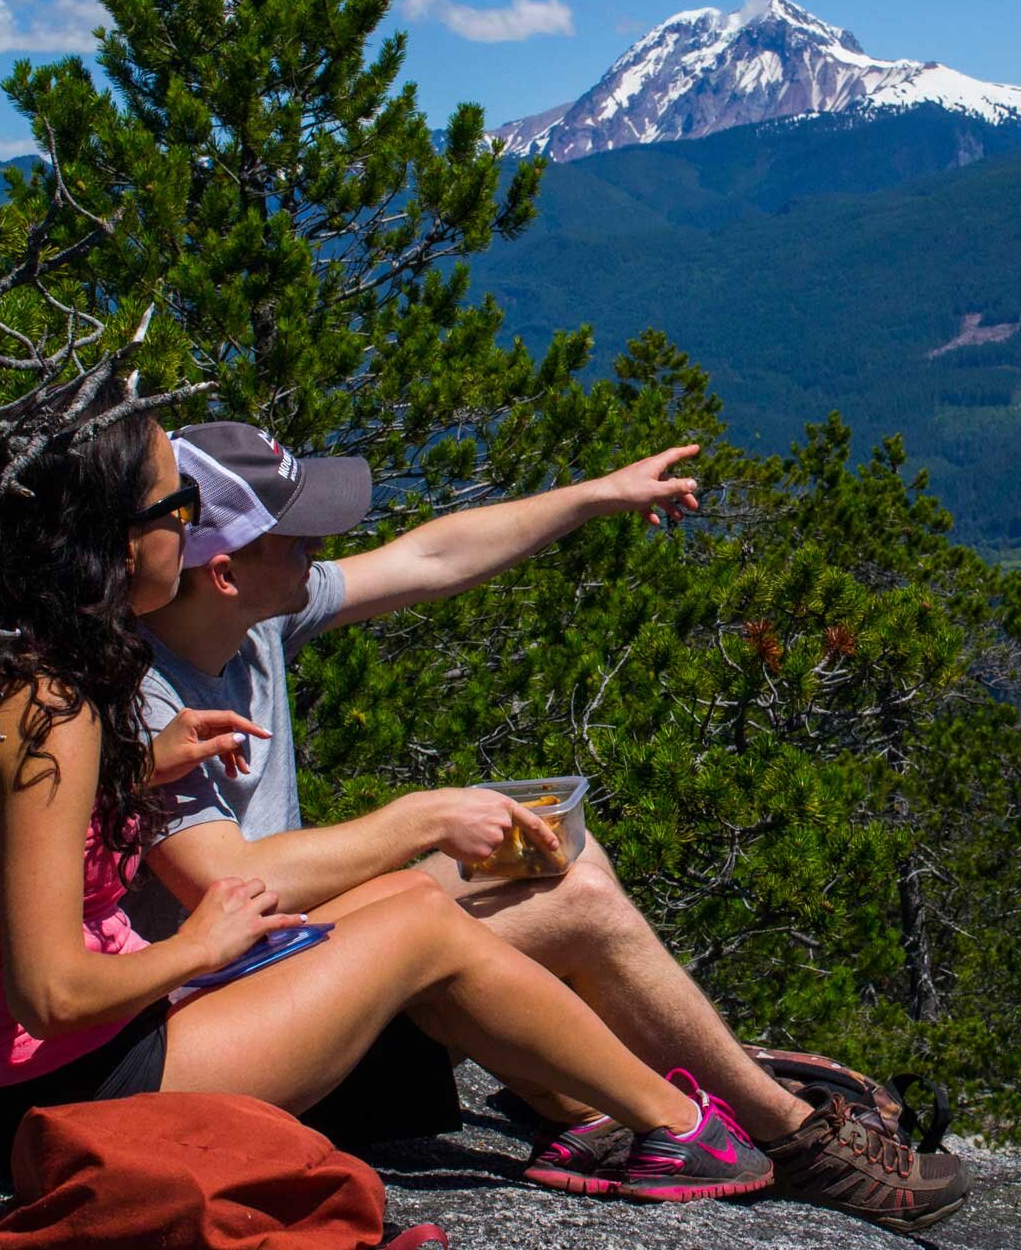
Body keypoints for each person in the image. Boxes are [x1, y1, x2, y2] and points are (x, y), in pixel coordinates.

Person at [0, 382, 771, 1204]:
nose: (188, 519)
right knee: (421, 922)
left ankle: (627, 1117)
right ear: (114, 543)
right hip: (64, 1095)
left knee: (412, 896)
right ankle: (679, 1128)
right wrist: (198, 946)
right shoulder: (56, 708)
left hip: (28, 1078)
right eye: (176, 505)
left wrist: (135, 767)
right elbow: (49, 992)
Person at [121, 420, 975, 1232]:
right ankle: (791, 1139)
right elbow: (221, 881)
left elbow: (431, 555)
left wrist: (596, 495)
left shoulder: (254, 619)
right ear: (226, 570)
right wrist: (420, 818)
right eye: (297, 533)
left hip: (292, 967)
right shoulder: (144, 695)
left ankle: (595, 1100)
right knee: (580, 902)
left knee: (558, 852)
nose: (319, 546)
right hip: (255, 1026)